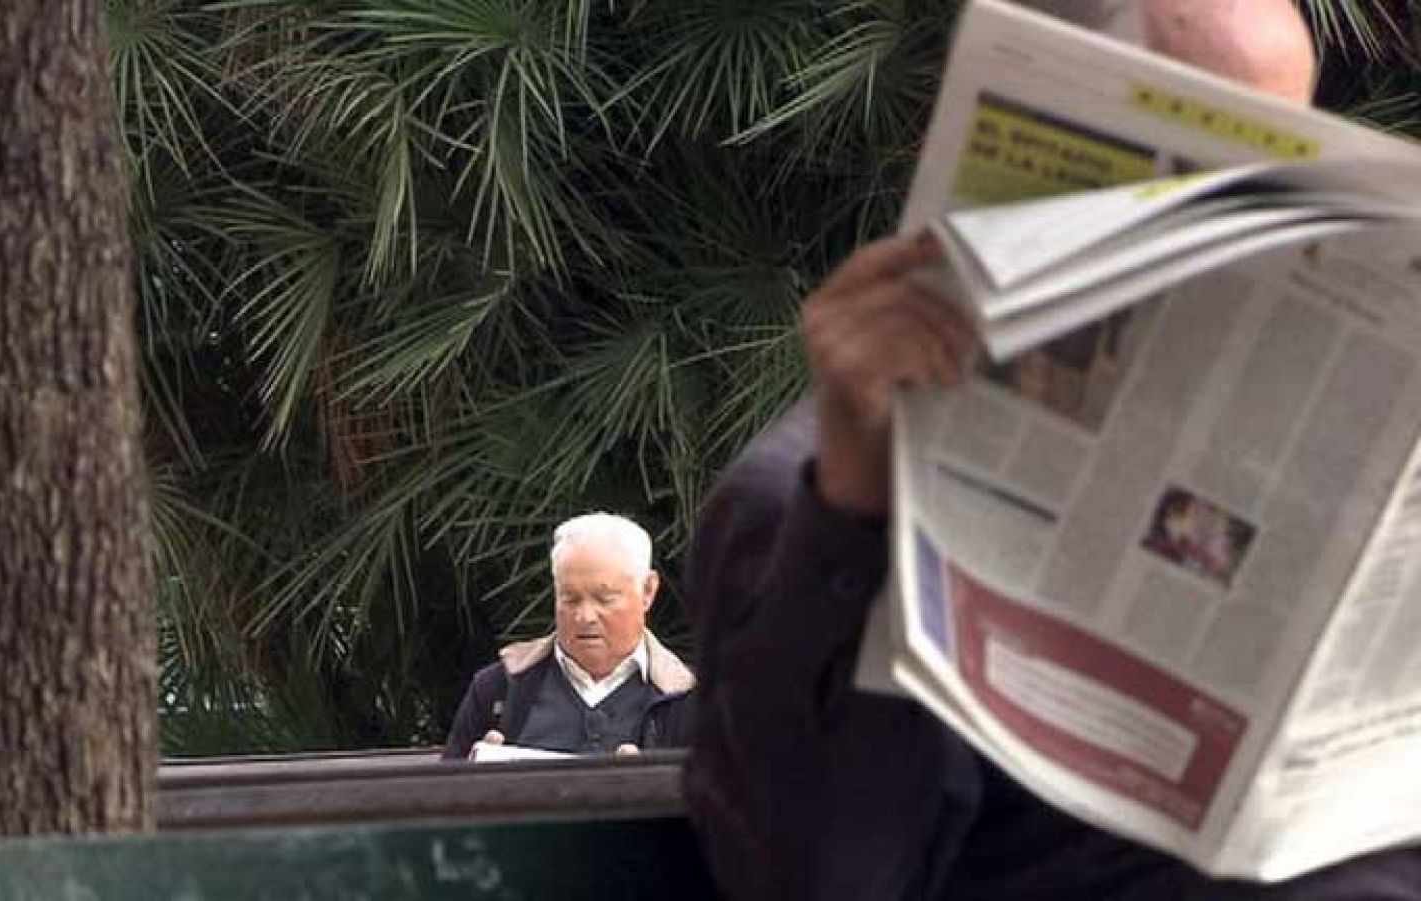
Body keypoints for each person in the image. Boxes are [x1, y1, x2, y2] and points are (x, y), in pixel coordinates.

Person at [683, 0, 1421, 898]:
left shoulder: (1354, 465)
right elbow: (813, 877)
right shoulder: (797, 499)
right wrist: (853, 506)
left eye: (1278, 178)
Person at [442, 513, 695, 759]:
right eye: (570, 599)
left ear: (648, 591)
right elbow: (442, 796)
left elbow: (718, 796)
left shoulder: (689, 700)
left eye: (604, 599)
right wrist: (476, 779)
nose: (585, 616)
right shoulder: (498, 690)